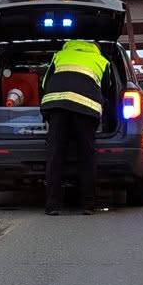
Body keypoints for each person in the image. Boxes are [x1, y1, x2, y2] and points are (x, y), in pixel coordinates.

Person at [41, 39, 108, 215]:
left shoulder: (60, 56)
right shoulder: (101, 61)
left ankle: (52, 205)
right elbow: (106, 91)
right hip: (85, 109)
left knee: (55, 154)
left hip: (57, 106)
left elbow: (44, 83)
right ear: (96, 49)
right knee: (86, 154)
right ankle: (88, 205)